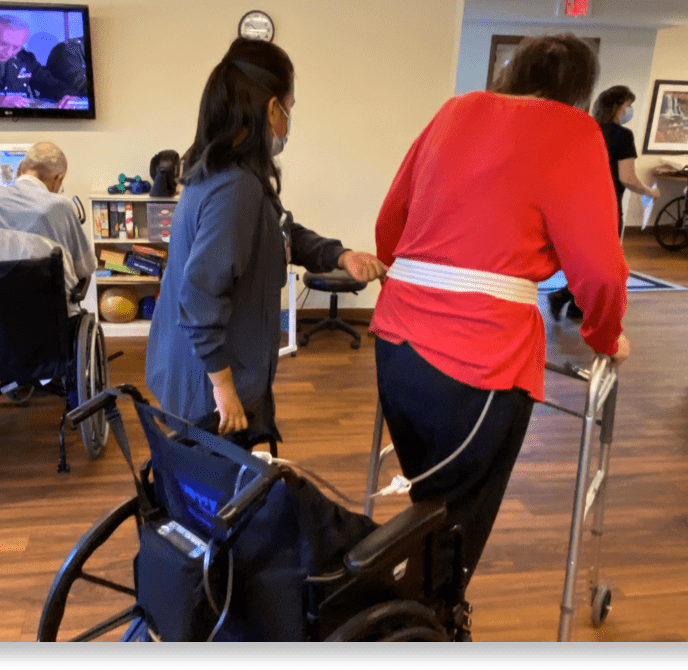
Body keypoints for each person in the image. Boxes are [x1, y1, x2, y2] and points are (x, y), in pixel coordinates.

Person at [370, 34, 631, 586]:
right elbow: (601, 271)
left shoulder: (455, 110)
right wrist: (605, 337)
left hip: (395, 340)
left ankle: (407, 607)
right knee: (456, 524)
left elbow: (390, 226)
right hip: (478, 361)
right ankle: (426, 617)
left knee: (429, 502)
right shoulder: (573, 129)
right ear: (579, 90)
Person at [146, 38, 385, 449]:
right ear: (272, 108)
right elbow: (199, 295)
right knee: (216, 496)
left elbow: (279, 232)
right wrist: (224, 388)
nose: (288, 121)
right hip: (211, 387)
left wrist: (339, 255)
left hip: (202, 370)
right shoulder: (236, 187)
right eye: (289, 109)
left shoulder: (224, 171)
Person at [548, 84, 661, 319]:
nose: (630, 111)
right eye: (628, 106)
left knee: (585, 258)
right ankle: (565, 297)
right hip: (606, 204)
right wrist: (648, 191)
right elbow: (627, 177)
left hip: (577, 203)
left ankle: (577, 304)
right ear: (618, 107)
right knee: (604, 261)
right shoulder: (622, 136)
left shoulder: (584, 129)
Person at [0, 142, 96, 316]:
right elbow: (85, 268)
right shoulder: (59, 207)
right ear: (59, 179)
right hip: (44, 318)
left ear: (20, 168)